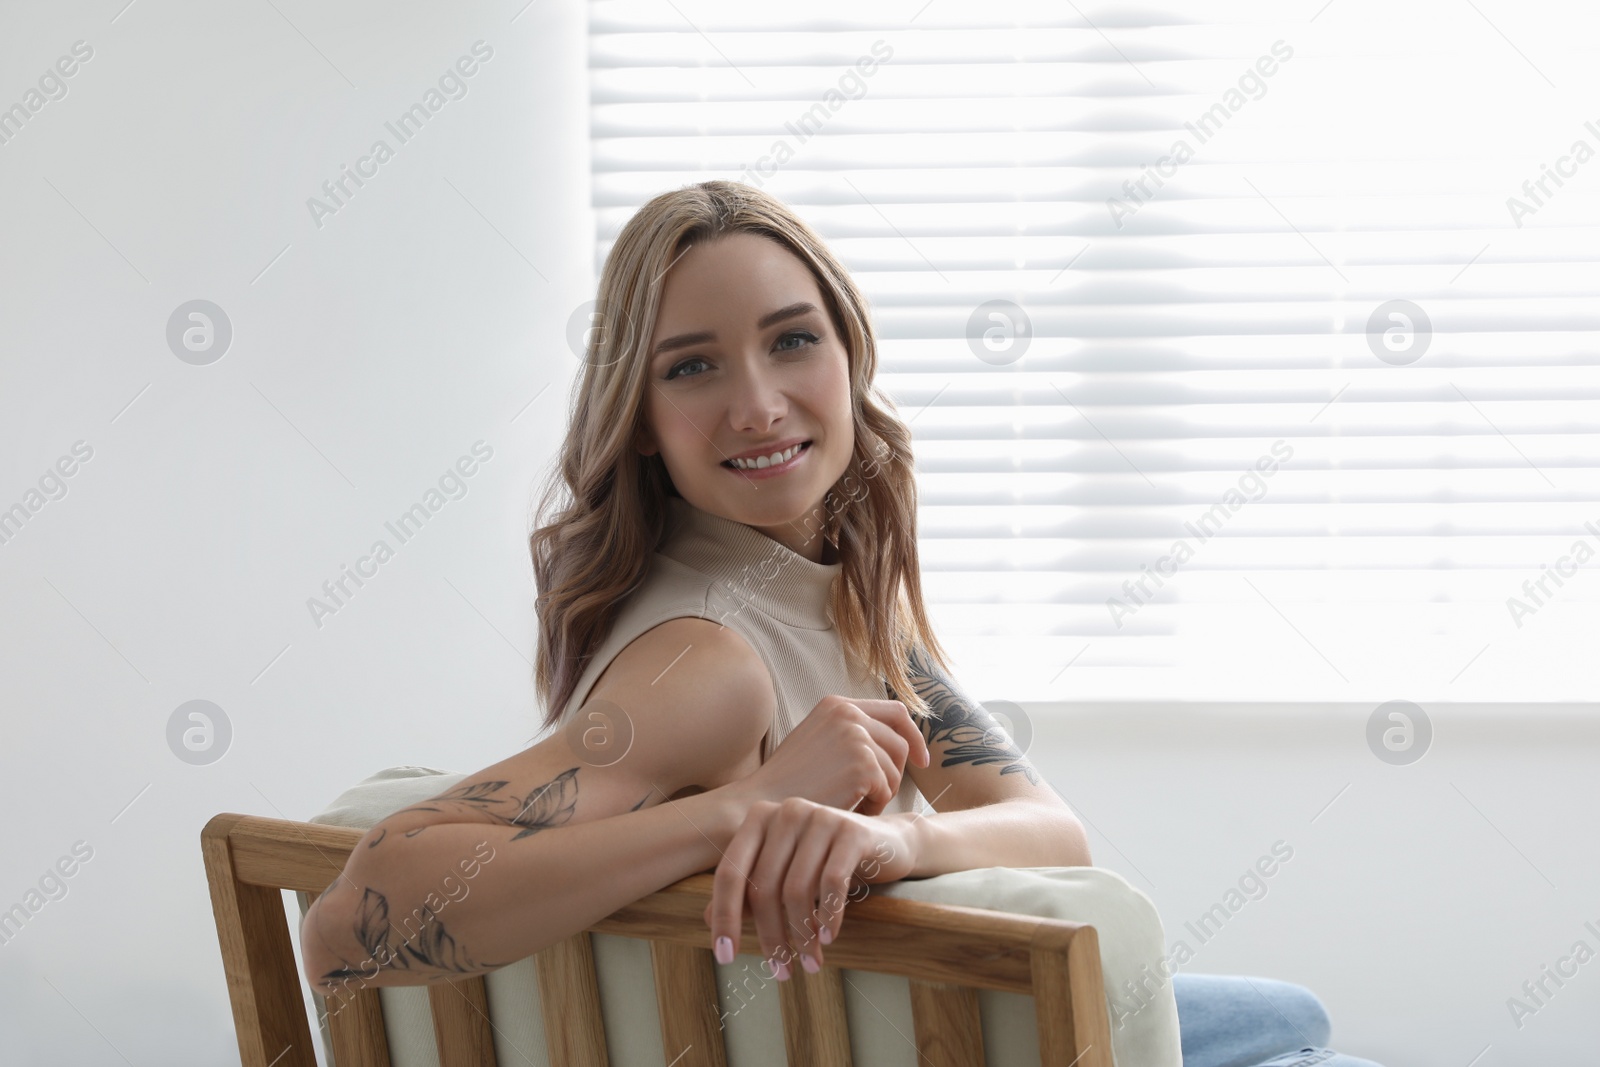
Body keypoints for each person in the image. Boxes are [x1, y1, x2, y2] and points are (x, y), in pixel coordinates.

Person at [299, 180, 1381, 1066]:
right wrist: (747, 805)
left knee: (1291, 1014)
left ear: (850, 358)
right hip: (898, 1029)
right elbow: (347, 925)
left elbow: (1055, 833)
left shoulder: (836, 592)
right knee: (1311, 1042)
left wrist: (893, 837)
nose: (759, 403)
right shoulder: (703, 659)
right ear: (638, 418)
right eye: (692, 365)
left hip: (896, 1008)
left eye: (790, 342)